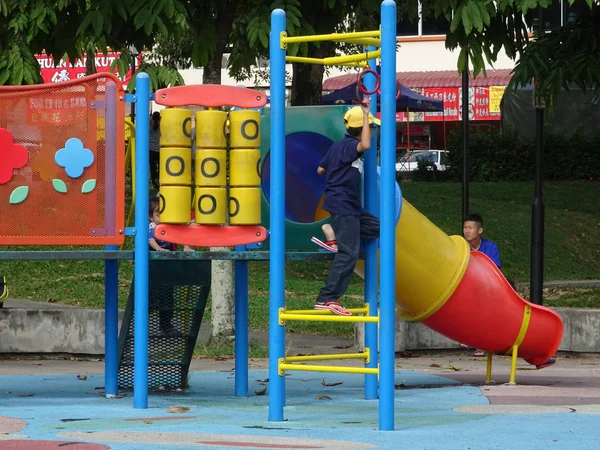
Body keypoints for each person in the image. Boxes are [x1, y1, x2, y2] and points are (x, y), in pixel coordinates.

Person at [313, 99, 381, 317]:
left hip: (348, 204)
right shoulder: (351, 146)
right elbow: (366, 145)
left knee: (378, 228)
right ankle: (326, 298)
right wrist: (366, 113)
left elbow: (320, 170)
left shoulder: (336, 146)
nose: (371, 131)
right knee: (348, 254)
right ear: (361, 129)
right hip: (343, 204)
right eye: (371, 127)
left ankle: (335, 236)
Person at [462, 213, 556, 369]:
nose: (466, 231)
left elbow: (493, 272)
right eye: (465, 227)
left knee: (514, 330)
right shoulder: (462, 248)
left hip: (488, 289)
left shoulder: (489, 247)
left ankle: (538, 356)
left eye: (470, 227)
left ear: (480, 230)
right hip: (472, 291)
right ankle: (537, 357)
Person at [149, 111, 161, 190]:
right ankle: (159, 179)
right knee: (160, 166)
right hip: (160, 149)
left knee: (152, 167)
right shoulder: (161, 126)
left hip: (151, 149)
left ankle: (154, 182)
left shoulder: (149, 125)